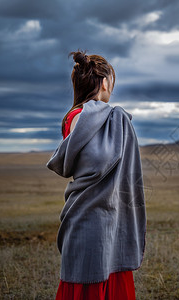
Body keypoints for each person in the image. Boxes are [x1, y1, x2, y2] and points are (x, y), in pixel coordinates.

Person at [47, 50, 147, 300]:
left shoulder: (71, 119)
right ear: (104, 82)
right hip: (107, 221)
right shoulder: (112, 118)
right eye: (111, 82)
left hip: (83, 220)